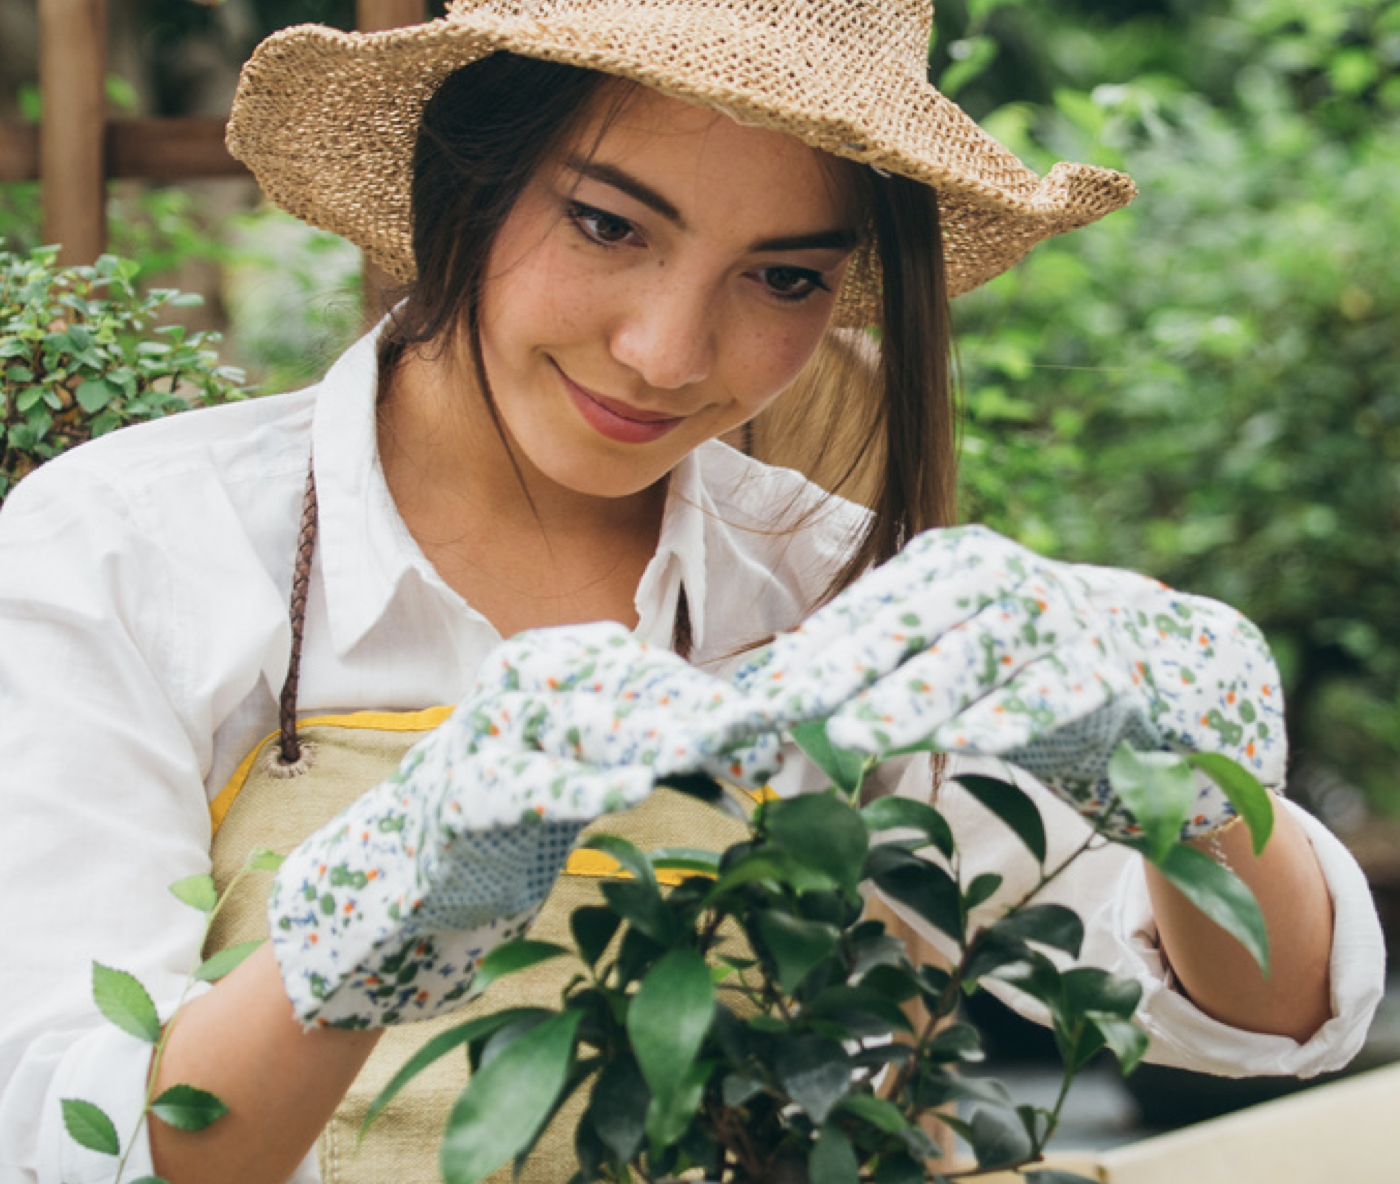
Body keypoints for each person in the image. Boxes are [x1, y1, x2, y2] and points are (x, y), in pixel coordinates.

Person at [0, 2, 1384, 1183]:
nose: (669, 354)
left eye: (783, 275)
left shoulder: (840, 593)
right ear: (462, 176)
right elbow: (74, 1137)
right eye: (609, 224)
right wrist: (377, 916)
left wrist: (1190, 781)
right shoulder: (138, 552)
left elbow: (1265, 1020)